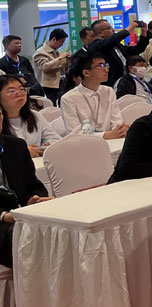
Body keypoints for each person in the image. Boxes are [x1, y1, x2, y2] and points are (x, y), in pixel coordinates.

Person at [0, 107, 51, 267]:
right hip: (4, 224)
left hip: (21, 216)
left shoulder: (15, 146)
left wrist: (32, 199)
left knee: (64, 229)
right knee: (30, 238)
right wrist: (4, 216)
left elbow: (33, 184)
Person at [60, 52, 128, 139]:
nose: (106, 70)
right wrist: (106, 135)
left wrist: (120, 130)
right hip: (85, 144)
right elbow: (75, 133)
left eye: (106, 65)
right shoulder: (69, 98)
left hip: (112, 140)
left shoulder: (108, 91)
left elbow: (117, 121)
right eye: (101, 66)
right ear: (86, 73)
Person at [0, 75, 61, 157]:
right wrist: (21, 151)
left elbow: (55, 138)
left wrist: (46, 146)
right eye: (12, 91)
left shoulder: (34, 115)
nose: (19, 93)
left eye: (22, 89)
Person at [88, 19, 148, 86]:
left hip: (125, 82)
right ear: (100, 33)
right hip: (110, 84)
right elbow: (112, 40)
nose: (113, 30)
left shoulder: (117, 45)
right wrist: (128, 30)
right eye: (109, 28)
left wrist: (143, 33)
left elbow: (136, 50)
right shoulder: (96, 46)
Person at [33, 29, 70, 103]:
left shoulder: (56, 51)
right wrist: (60, 58)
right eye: (61, 42)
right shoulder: (40, 52)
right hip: (50, 86)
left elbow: (61, 68)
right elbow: (45, 67)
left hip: (61, 83)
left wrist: (67, 61)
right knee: (53, 106)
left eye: (63, 42)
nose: (62, 44)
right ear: (54, 39)